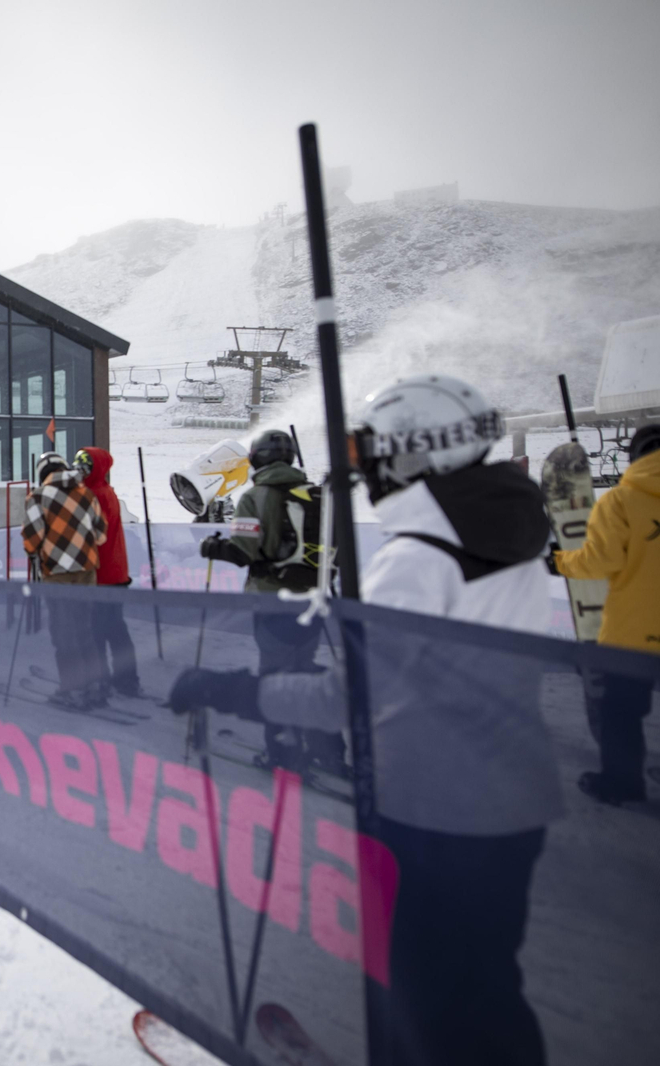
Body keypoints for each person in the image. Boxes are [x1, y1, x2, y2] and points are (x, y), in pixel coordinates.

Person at [170, 374, 562, 1066]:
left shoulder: (418, 558)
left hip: (434, 804)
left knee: (425, 988)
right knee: (484, 986)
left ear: (416, 455)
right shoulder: (512, 535)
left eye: (377, 456)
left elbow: (345, 698)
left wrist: (229, 690)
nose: (370, 473)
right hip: (512, 794)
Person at [199, 429, 337, 774]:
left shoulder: (254, 497)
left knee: (276, 678)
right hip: (312, 601)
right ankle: (330, 752)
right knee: (306, 674)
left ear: (256, 459)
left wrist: (212, 547)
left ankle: (283, 755)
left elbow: (243, 553)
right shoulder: (317, 494)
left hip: (272, 601)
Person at [554, 421, 660, 805]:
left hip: (633, 634)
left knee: (621, 712)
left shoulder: (621, 501)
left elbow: (600, 561)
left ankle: (623, 784)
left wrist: (561, 561)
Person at [22, 450, 106, 707]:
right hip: (86, 571)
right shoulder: (86, 494)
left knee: (63, 633)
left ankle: (71, 689)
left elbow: (31, 540)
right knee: (85, 630)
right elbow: (101, 535)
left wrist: (36, 549)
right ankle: (94, 688)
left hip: (56, 574)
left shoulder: (38, 497)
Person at [76, 447, 141, 697]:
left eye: (85, 467)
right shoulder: (105, 492)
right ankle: (125, 679)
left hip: (102, 574)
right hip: (114, 573)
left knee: (99, 631)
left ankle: (104, 679)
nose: (81, 472)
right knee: (114, 629)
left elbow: (92, 535)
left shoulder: (95, 495)